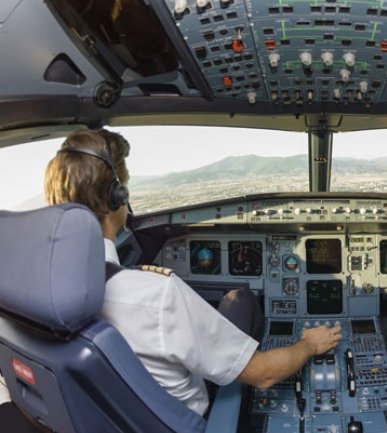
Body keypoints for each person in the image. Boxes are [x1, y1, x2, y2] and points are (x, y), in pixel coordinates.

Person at [44, 128, 342, 417]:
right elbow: (263, 374)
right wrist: (309, 344)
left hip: (122, 416)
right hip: (186, 418)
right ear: (116, 197)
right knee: (242, 299)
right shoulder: (155, 295)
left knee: (239, 299)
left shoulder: (38, 291)